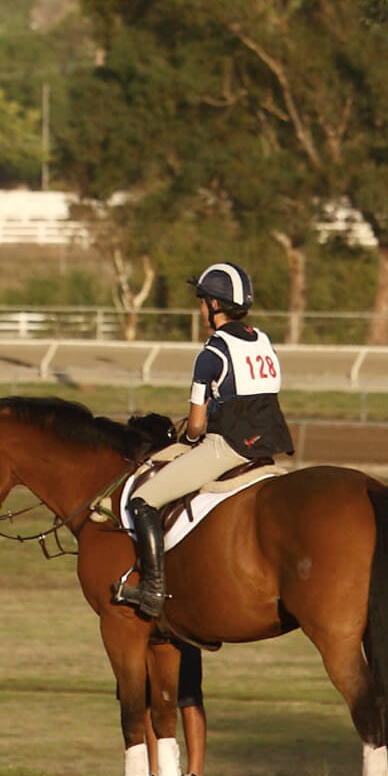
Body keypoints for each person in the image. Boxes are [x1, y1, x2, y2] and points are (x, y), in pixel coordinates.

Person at [113, 262, 294, 619]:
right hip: (268, 443)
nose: (200, 310)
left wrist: (192, 432)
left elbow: (195, 425)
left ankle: (153, 589)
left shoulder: (211, 352)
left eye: (202, 302)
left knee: (143, 499)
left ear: (214, 305)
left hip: (227, 446)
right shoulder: (263, 340)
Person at [146, 640, 209, 776]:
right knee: (148, 698)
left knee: (189, 696)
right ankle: (154, 774)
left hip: (180, 627)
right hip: (146, 628)